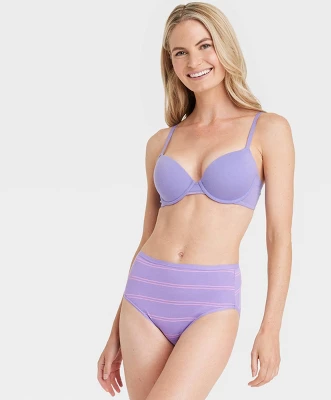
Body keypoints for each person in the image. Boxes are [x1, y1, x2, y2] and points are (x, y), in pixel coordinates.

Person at [97, 2, 294, 399]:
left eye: (205, 46)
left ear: (224, 47)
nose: (194, 61)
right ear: (170, 63)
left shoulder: (268, 130)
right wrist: (114, 330)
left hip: (211, 303)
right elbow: (147, 235)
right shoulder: (161, 142)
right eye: (180, 52)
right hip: (144, 295)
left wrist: (270, 328)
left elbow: (279, 238)